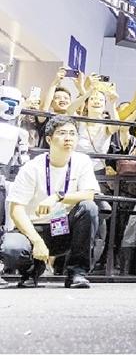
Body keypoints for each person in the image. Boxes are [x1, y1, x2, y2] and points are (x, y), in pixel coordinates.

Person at [0, 115, 100, 288]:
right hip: (34, 229)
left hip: (63, 228)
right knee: (12, 249)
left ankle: (76, 273)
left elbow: (89, 194)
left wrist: (57, 196)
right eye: (62, 133)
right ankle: (31, 270)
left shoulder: (82, 161)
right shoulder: (32, 167)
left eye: (72, 133)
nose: (68, 138)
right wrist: (37, 241)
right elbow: (16, 210)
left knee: (88, 207)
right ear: (49, 139)